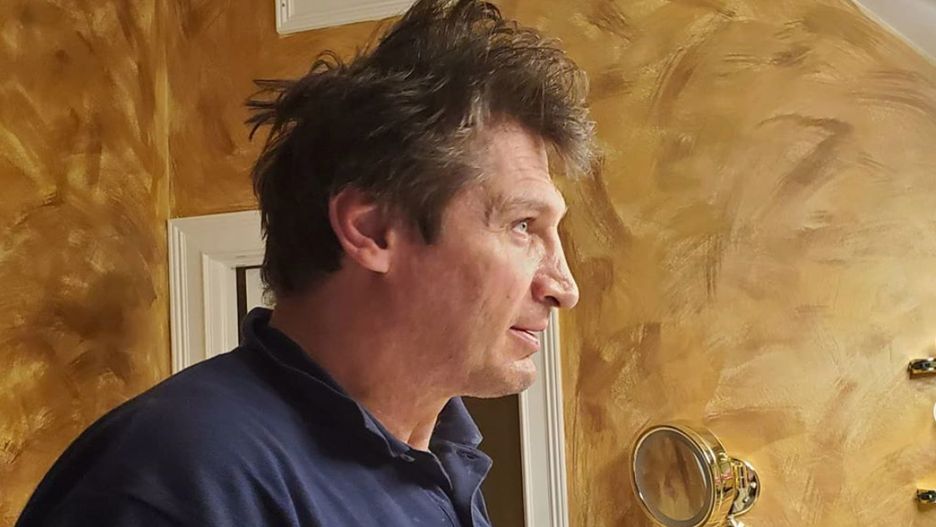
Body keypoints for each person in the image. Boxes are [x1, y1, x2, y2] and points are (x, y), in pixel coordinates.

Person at [16, 0, 595, 525]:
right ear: (373, 230)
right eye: (524, 225)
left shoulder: (439, 453)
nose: (563, 286)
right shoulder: (180, 484)